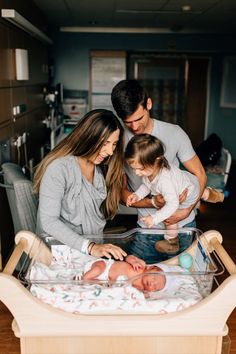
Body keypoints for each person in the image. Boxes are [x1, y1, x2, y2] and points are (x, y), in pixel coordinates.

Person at [111, 79, 207, 262]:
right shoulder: (117, 141)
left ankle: (209, 194)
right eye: (127, 122)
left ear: (148, 104)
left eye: (138, 119)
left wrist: (186, 211)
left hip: (182, 225)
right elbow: (122, 195)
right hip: (146, 229)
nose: (135, 127)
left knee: (183, 279)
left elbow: (200, 174)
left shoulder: (174, 133)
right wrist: (155, 202)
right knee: (138, 278)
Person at [34, 109, 127, 260]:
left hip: (92, 250)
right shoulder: (59, 169)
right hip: (60, 253)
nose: (110, 151)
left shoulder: (102, 168)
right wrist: (90, 247)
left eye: (114, 144)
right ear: (89, 137)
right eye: (105, 143)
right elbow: (49, 222)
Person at [125, 134, 224, 253]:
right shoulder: (152, 171)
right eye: (133, 168)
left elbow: (172, 205)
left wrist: (154, 218)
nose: (136, 173)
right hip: (188, 181)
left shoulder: (164, 181)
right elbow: (147, 185)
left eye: (140, 169)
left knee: (171, 218)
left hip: (187, 193)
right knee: (199, 191)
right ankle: (211, 194)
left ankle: (172, 242)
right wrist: (137, 195)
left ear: (156, 161)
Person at [82, 254, 167, 293]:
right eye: (154, 278)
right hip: (106, 266)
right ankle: (85, 278)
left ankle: (89, 280)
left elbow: (133, 292)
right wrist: (133, 262)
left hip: (106, 280)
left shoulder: (141, 287)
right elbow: (129, 257)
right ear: (150, 268)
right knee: (98, 269)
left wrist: (144, 294)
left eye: (155, 287)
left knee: (101, 284)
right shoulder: (142, 265)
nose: (152, 283)